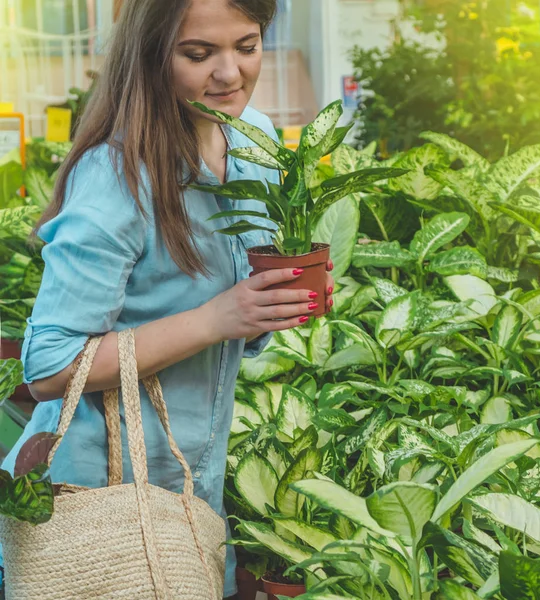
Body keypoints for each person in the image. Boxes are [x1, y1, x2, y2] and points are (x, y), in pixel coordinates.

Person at [0, 0, 334, 597]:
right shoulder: (117, 175)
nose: (230, 74)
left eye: (248, 45)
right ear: (152, 57)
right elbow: (48, 368)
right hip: (95, 500)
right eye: (198, 54)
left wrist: (271, 304)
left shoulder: (251, 142)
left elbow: (232, 304)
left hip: (188, 485)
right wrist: (216, 317)